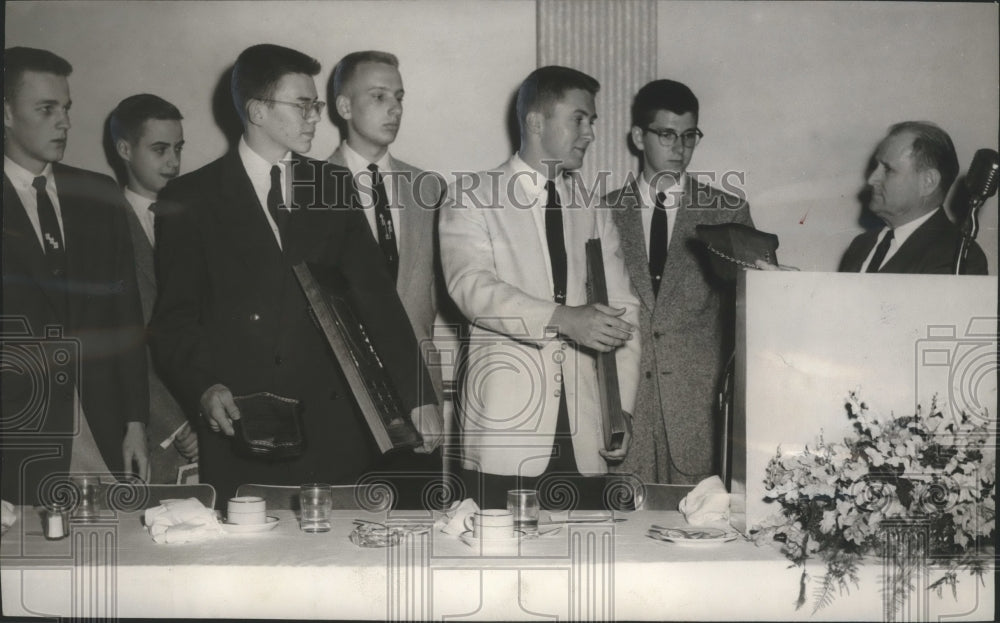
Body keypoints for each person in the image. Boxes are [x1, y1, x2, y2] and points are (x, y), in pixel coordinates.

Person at [150, 44, 440, 506]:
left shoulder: (334, 186)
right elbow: (174, 320)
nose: (314, 118)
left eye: (316, 106)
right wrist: (203, 386)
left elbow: (378, 302)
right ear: (258, 111)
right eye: (302, 105)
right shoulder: (190, 198)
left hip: (334, 426)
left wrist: (418, 396)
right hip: (241, 424)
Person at [439, 65, 639, 509]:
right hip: (504, 435)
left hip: (585, 440)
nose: (589, 133)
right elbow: (471, 287)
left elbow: (624, 307)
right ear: (535, 122)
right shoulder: (470, 195)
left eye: (592, 121)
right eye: (579, 119)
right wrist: (564, 319)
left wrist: (619, 409)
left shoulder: (592, 207)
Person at [2, 47, 149, 504]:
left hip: (103, 430)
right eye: (46, 109)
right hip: (17, 437)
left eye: (65, 108)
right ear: (6, 114)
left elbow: (125, 315)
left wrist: (135, 422)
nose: (64, 122)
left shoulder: (98, 194)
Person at [604, 79, 753, 484]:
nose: (680, 148)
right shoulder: (601, 212)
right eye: (666, 135)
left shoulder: (728, 211)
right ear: (638, 137)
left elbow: (749, 316)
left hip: (697, 416)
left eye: (689, 136)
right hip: (623, 414)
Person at [327, 51, 449, 506]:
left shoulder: (430, 189)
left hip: (421, 402)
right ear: (344, 107)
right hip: (342, 399)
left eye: (398, 97)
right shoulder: (310, 187)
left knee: (418, 535)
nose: (394, 108)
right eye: (378, 96)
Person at [109, 94, 198, 484]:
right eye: (159, 149)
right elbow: (121, 340)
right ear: (125, 149)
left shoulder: (200, 217)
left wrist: (202, 412)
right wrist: (176, 423)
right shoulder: (104, 227)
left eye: (178, 148)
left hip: (208, 419)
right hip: (153, 430)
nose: (174, 163)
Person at [839, 121, 988, 274]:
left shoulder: (958, 256)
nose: (871, 179)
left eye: (888, 169)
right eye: (876, 166)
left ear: (928, 182)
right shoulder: (860, 246)